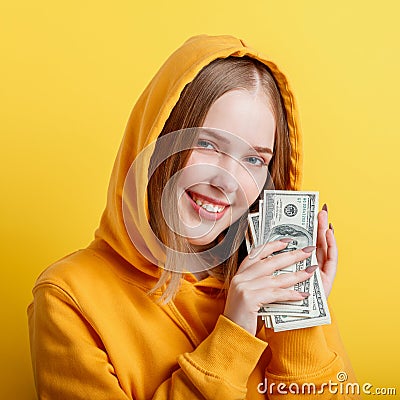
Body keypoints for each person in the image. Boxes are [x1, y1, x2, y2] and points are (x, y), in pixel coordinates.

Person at [27, 34, 360, 399]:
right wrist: (234, 331)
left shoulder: (277, 277)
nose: (226, 181)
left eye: (254, 159)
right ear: (155, 143)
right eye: (206, 144)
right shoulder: (69, 296)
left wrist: (295, 320)